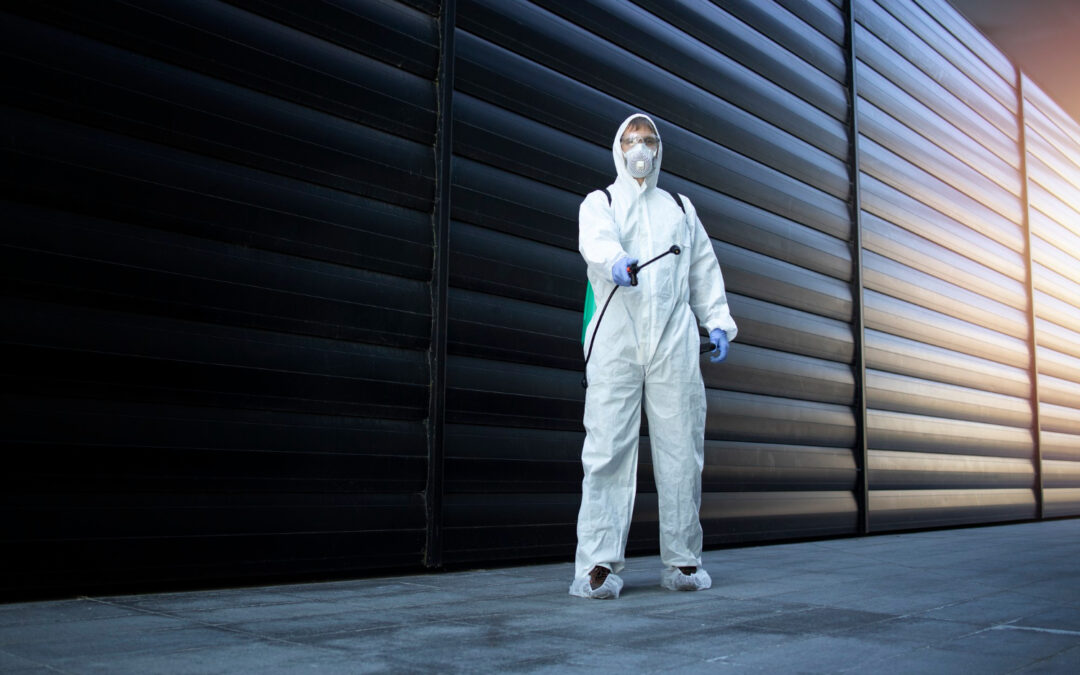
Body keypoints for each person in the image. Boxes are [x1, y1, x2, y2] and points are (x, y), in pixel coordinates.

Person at [570, 113, 737, 599]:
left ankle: (683, 562)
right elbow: (595, 242)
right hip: (615, 342)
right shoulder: (600, 202)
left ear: (659, 149)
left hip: (673, 344)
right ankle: (597, 565)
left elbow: (703, 268)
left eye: (648, 140)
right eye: (631, 140)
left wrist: (718, 321)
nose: (640, 148)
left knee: (681, 450)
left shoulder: (680, 209)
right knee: (606, 453)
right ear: (617, 148)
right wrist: (614, 261)